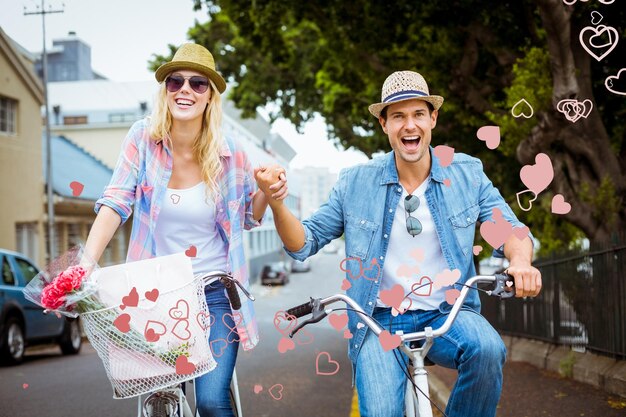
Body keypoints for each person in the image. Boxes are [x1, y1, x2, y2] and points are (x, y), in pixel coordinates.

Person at [255, 71, 541, 417]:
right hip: (378, 321)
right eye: (398, 116)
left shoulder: (466, 173)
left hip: (447, 313)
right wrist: (276, 202)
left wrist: (521, 262)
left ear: (432, 118)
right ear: (384, 124)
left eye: (418, 114)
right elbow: (304, 243)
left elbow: (511, 230)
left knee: (487, 350)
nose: (410, 126)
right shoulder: (355, 183)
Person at [84, 43, 287, 417]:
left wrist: (266, 192)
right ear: (165, 90)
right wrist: (84, 265)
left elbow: (247, 217)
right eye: (175, 81)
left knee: (211, 401)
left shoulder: (231, 154)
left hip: (214, 295)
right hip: (154, 297)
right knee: (160, 403)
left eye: (198, 84)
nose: (185, 90)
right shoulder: (142, 139)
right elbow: (115, 202)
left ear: (210, 96)